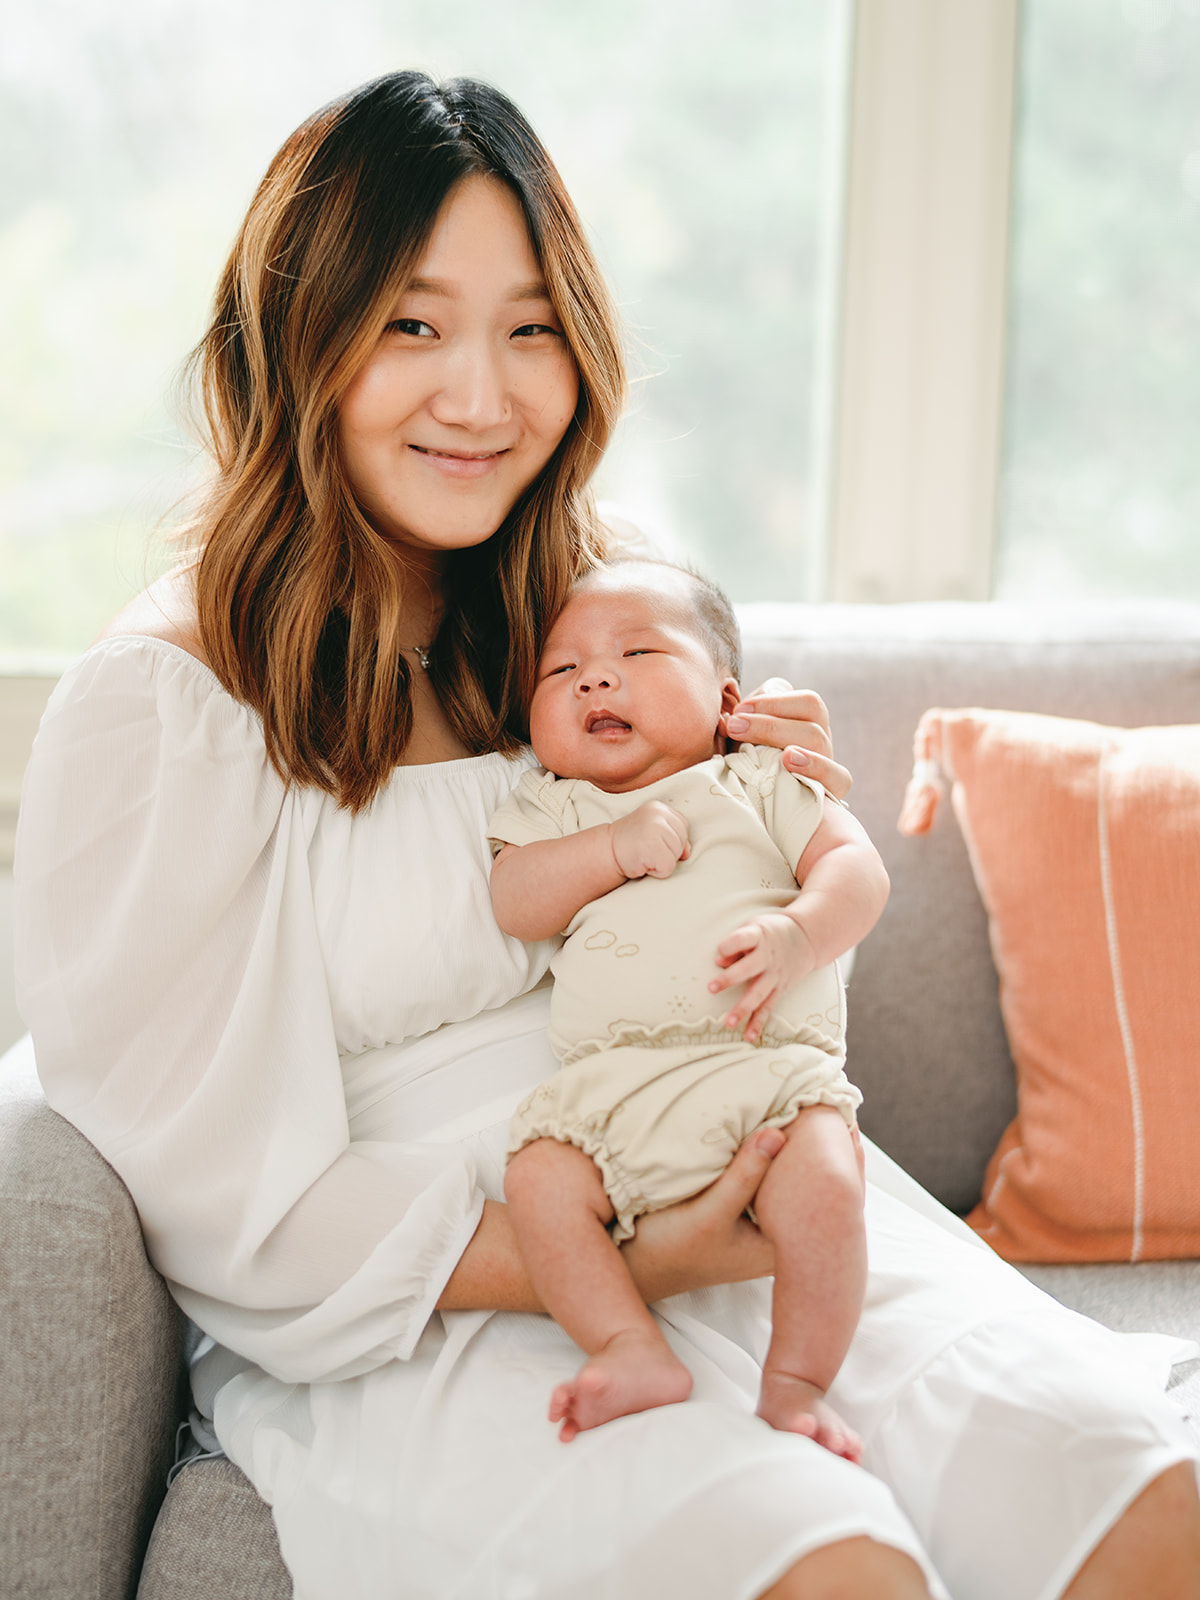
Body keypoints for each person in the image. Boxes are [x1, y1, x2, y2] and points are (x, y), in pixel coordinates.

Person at [13, 70, 1200, 1600]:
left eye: (530, 328)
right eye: (412, 325)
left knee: (1126, 1489)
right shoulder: (168, 702)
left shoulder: (595, 606)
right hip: (425, 1293)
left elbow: (765, 904)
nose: (482, 396)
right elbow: (233, 1201)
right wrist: (628, 1261)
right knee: (820, 1562)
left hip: (746, 1184)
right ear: (295, 337)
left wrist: (768, 818)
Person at [491, 559, 885, 1456]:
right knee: (540, 1180)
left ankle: (795, 1383)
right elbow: (513, 901)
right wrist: (608, 849)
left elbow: (857, 871)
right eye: (562, 671)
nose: (596, 675)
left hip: (766, 1066)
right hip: (614, 1084)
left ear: (728, 698)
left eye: (637, 650)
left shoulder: (760, 778)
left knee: (827, 1184)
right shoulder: (555, 805)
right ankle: (630, 1347)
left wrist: (801, 935)